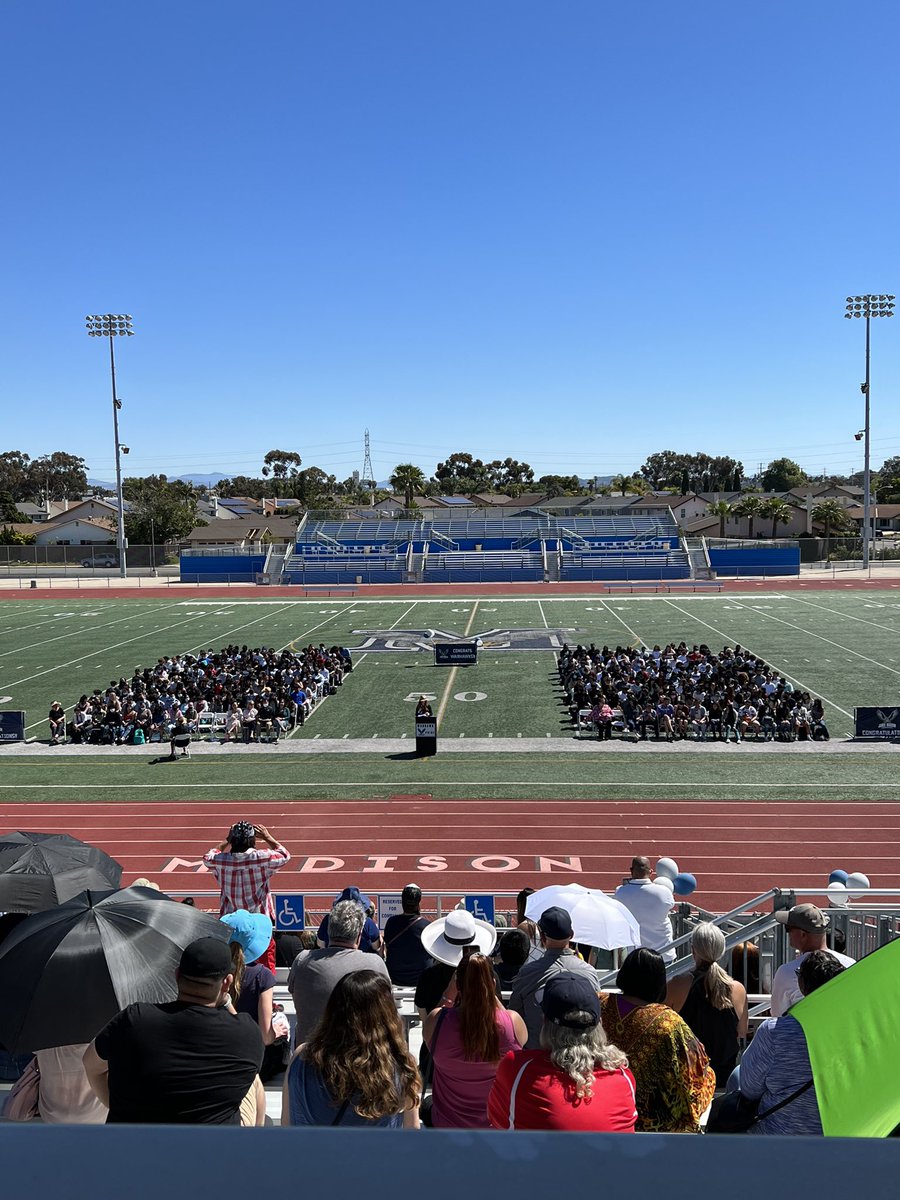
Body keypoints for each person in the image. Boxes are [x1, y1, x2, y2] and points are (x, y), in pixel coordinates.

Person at [83, 937, 264, 1124]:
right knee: (254, 1083)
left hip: (133, 1139)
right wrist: (226, 1003)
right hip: (213, 1142)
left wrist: (117, 1107)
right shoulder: (248, 1034)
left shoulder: (134, 1019)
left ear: (177, 975)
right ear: (227, 982)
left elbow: (91, 1064)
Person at [489, 972, 637, 1132]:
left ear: (544, 1022)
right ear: (599, 1023)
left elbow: (498, 1124)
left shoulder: (517, 1069)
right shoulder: (624, 1078)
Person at [282, 970, 420, 1128]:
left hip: (311, 1145)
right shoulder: (402, 1066)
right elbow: (412, 1132)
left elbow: (287, 1123)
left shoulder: (301, 1057)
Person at [600, 948, 716, 1133]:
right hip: (649, 1120)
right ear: (659, 982)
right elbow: (693, 1067)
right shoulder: (668, 1022)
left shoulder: (600, 1004)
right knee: (707, 1076)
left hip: (601, 1103)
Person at [736, 950, 846, 1135]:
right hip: (839, 1136)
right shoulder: (856, 1030)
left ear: (802, 985)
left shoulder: (773, 1032)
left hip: (779, 1137)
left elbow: (749, 1088)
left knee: (736, 1076)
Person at [424, 952, 526, 1128]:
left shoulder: (437, 1021)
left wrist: (449, 994)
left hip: (447, 1125)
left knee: (427, 1103)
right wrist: (487, 991)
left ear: (457, 985)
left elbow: (434, 1024)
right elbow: (508, 1024)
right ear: (492, 984)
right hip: (496, 1125)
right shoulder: (513, 1022)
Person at [288, 899, 390, 1044]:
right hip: (359, 1052)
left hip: (309, 1051)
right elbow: (386, 1011)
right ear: (359, 935)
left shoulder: (301, 961)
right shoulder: (375, 964)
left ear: (329, 931)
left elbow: (297, 1001)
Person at [666, 923, 748, 1087]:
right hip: (723, 1080)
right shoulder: (737, 989)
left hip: (687, 1081)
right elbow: (742, 1031)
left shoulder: (678, 984)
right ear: (721, 950)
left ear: (693, 950)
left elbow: (661, 1025)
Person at [203, 821, 290, 972]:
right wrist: (267, 837)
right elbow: (284, 855)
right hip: (259, 922)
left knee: (231, 966)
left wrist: (227, 840)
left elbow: (207, 857)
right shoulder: (261, 857)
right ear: (252, 840)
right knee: (265, 968)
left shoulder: (221, 860)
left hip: (231, 923)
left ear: (233, 840)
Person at [508, 907, 600, 1048]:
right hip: (582, 1053)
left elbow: (515, 1014)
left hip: (537, 1052)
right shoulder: (589, 973)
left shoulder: (527, 973)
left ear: (542, 937)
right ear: (572, 934)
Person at [770, 904, 855, 1016]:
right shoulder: (851, 964)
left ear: (803, 934)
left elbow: (777, 1014)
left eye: (788, 928)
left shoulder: (786, 972)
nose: (788, 933)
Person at [220, 909, 277, 1045]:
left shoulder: (215, 970)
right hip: (250, 1049)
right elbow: (265, 1037)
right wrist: (277, 1032)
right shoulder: (262, 976)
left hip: (219, 1046)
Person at [614, 855, 676, 963]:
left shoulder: (620, 892)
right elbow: (670, 905)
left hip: (635, 957)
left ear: (631, 871)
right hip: (663, 954)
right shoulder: (664, 892)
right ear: (651, 872)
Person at [383, 883, 433, 986]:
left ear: (402, 902)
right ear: (418, 903)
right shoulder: (427, 927)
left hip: (394, 977)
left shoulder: (391, 922)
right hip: (421, 979)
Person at [316, 886, 382, 954]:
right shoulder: (367, 922)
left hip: (332, 956)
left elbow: (320, 943)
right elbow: (376, 946)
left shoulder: (328, 919)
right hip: (362, 957)